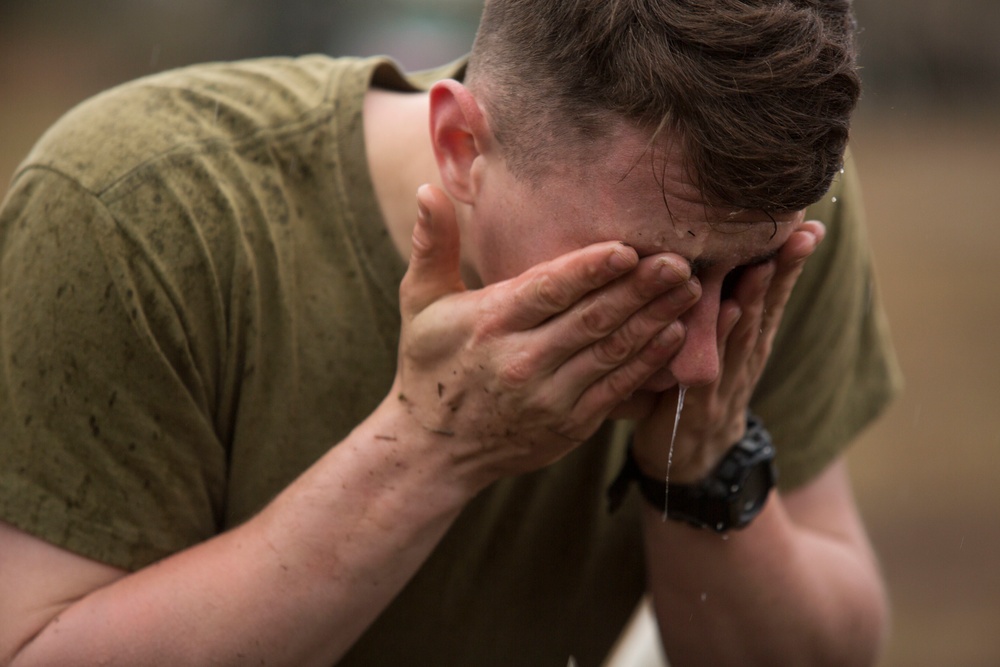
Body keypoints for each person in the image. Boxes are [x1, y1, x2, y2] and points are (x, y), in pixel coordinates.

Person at [0, 1, 901, 665]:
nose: (704, 359)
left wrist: (705, 464)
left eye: (733, 273)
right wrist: (431, 447)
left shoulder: (759, 215)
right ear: (463, 148)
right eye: (642, 272)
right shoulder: (134, 216)